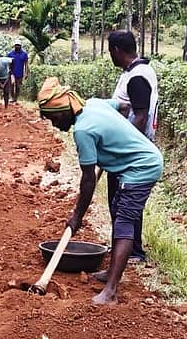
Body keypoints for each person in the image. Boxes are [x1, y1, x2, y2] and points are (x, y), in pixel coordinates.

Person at [37, 77, 163, 305]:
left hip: (142, 167)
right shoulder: (94, 104)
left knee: (124, 221)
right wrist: (117, 135)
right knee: (117, 210)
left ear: (65, 110)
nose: (55, 124)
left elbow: (87, 181)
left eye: (54, 118)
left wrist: (76, 217)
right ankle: (110, 273)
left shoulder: (83, 130)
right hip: (136, 162)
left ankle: (111, 291)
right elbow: (124, 107)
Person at [107, 30, 159, 261]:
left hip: (130, 152)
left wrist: (124, 148)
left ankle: (133, 252)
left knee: (125, 203)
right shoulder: (136, 72)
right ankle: (126, 249)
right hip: (130, 149)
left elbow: (140, 115)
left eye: (111, 52)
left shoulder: (137, 76)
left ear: (117, 51)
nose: (111, 56)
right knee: (122, 202)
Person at [7, 39, 29, 104]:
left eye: (18, 45)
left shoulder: (24, 54)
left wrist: (26, 73)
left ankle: (16, 98)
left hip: (20, 73)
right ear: (14, 46)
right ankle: (12, 98)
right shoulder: (10, 54)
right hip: (12, 73)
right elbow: (8, 64)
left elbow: (26, 64)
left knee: (18, 86)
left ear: (21, 46)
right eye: (16, 45)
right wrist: (8, 72)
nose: (17, 46)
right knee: (11, 85)